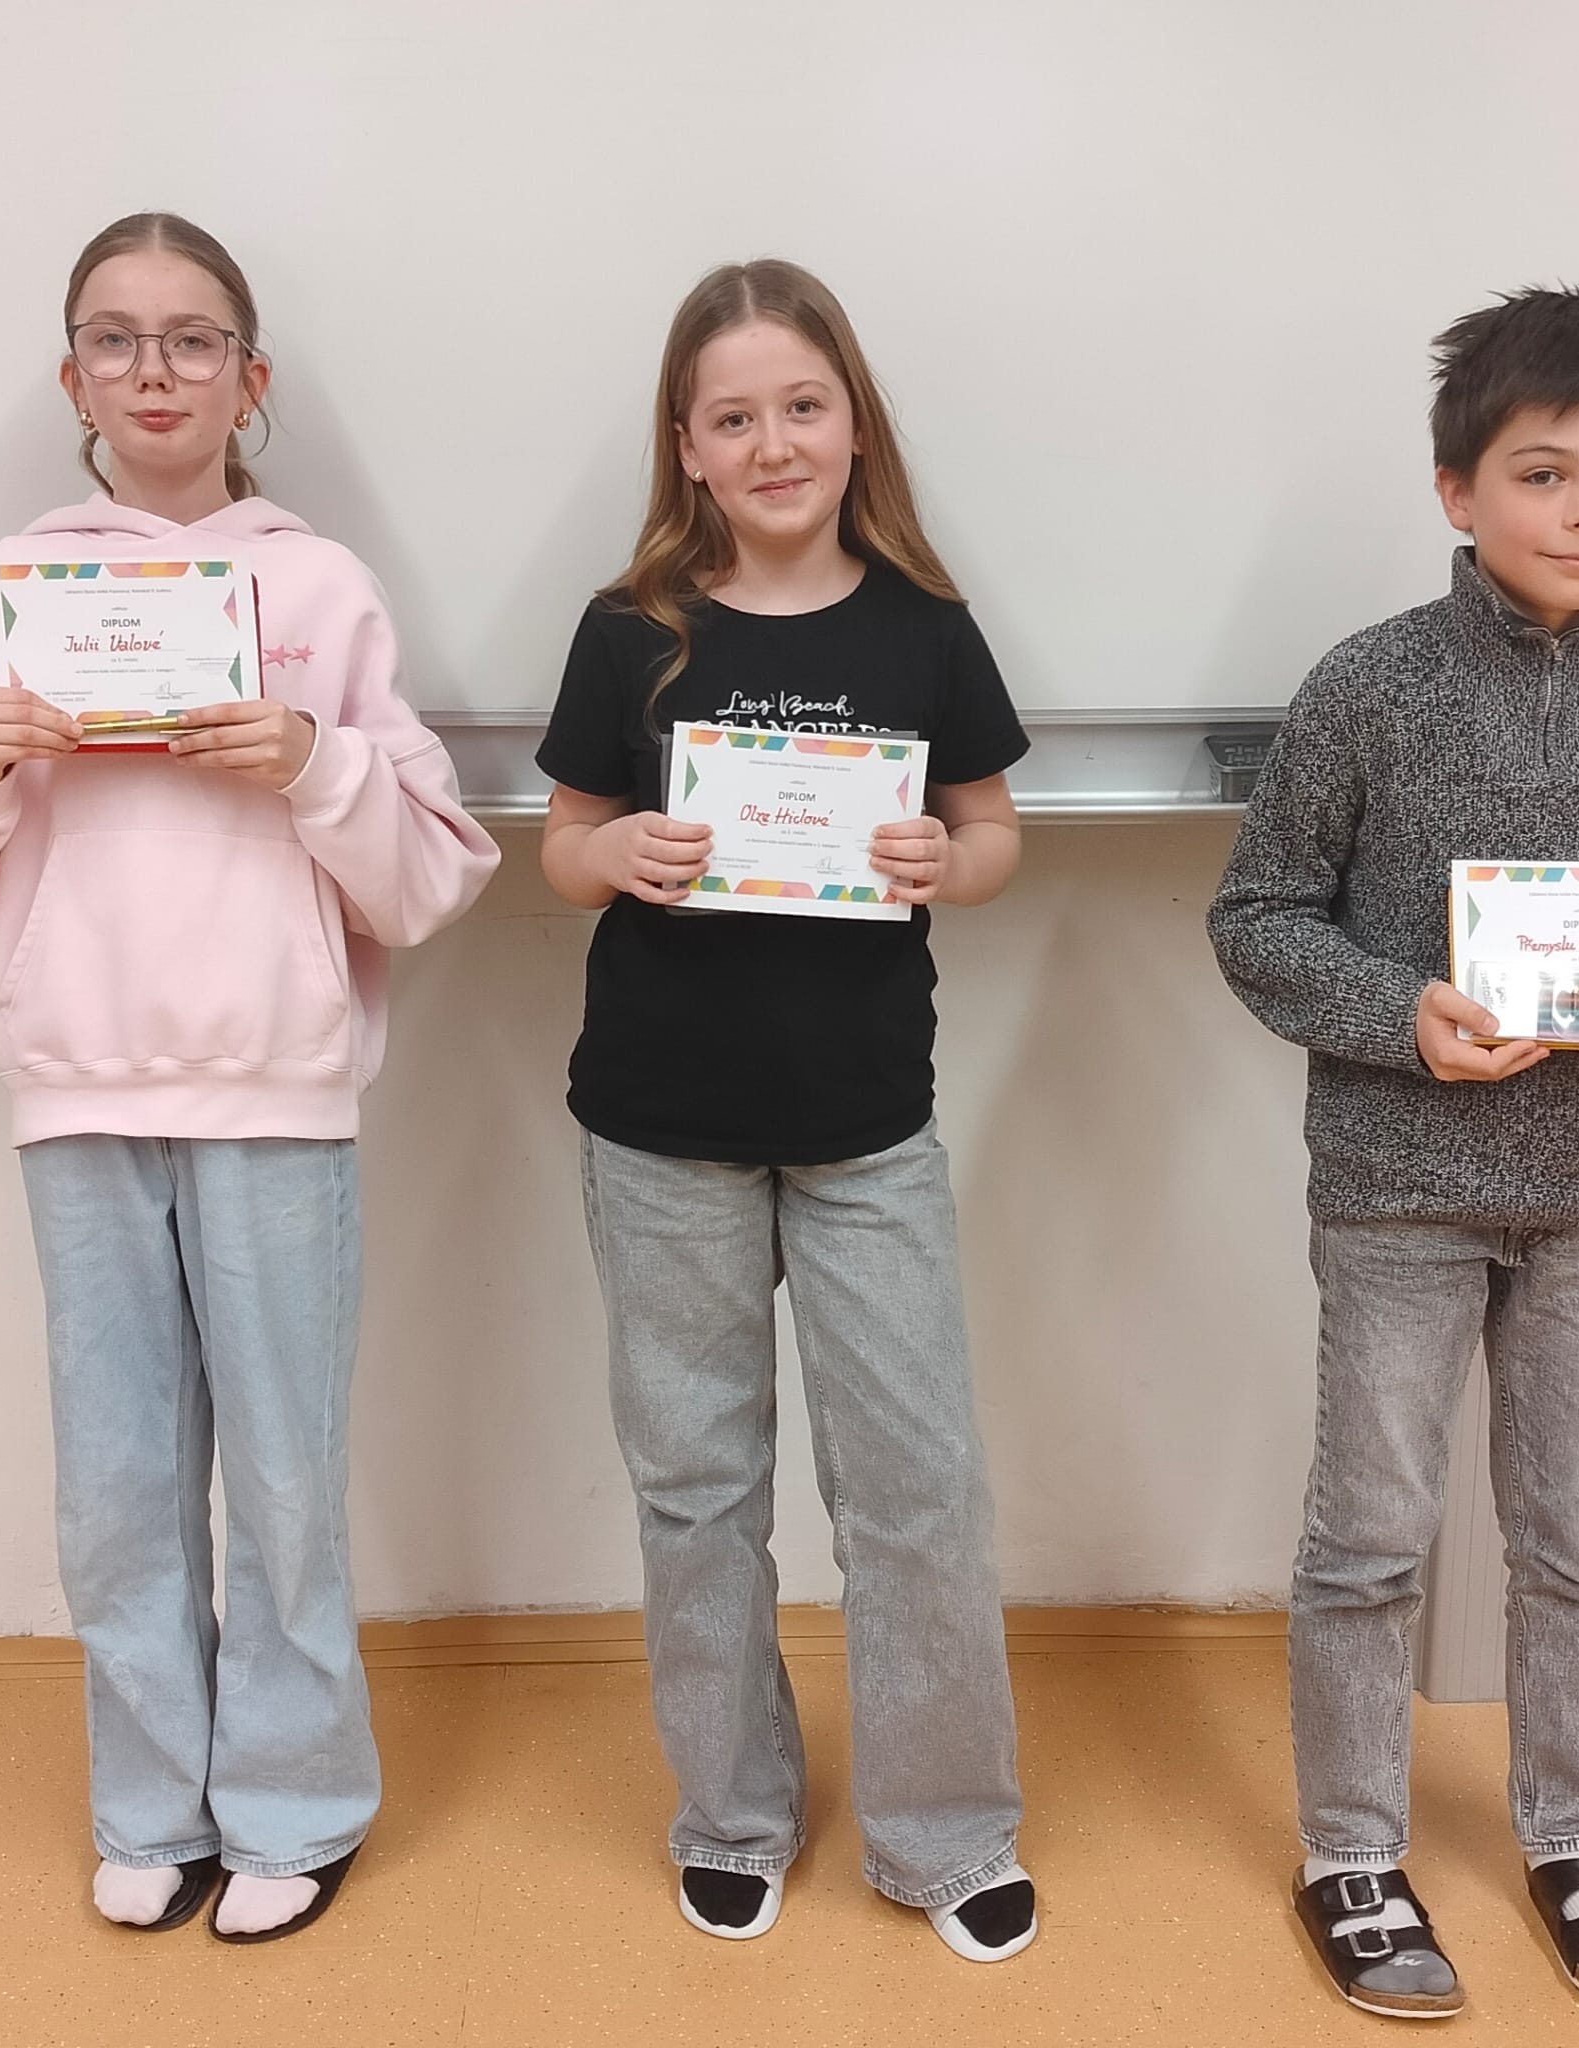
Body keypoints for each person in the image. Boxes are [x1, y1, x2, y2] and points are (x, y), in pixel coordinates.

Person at [0, 212, 499, 1942]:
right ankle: (151, 1804)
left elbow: (432, 877)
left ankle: (294, 1805)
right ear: (72, 376)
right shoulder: (2, 592)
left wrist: (312, 761)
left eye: (192, 338)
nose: (155, 370)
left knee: (287, 1477)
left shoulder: (321, 588)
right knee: (119, 1484)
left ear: (250, 375)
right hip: (79, 1084)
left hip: (276, 1086)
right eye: (117, 337)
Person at [1208, 285, 1579, 2018]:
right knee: (1371, 1538)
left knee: (1578, 1545)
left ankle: (1571, 1833)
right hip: (1398, 1193)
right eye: (1544, 473)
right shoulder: (1366, 685)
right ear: (1458, 490)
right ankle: (1352, 1854)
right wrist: (1407, 1015)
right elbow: (1258, 921)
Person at [535, 259, 1036, 1961]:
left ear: (853, 423)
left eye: (802, 407)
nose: (773, 443)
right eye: (734, 416)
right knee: (697, 1487)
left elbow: (992, 834)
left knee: (918, 1488)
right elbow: (563, 846)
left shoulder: (924, 626)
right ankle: (732, 1813)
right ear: (687, 445)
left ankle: (946, 1831)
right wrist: (617, 850)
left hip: (866, 1128)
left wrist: (948, 861)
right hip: (657, 1126)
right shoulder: (631, 629)